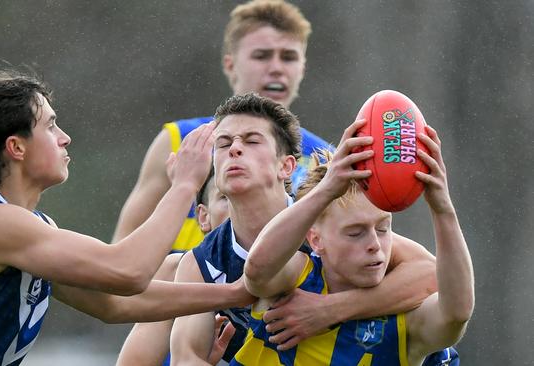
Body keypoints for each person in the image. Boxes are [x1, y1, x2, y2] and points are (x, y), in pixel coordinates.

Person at [0, 71, 256, 366]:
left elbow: (115, 305)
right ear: (16, 147)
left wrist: (236, 292)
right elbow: (128, 272)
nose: (64, 138)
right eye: (50, 126)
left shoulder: (29, 226)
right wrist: (183, 186)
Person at [169, 93, 441, 364]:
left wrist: (331, 310)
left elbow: (431, 274)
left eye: (252, 141)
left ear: (286, 166)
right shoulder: (199, 263)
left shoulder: (322, 218)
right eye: (224, 143)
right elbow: (186, 358)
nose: (234, 149)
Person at [235, 120, 473, 364]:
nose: (374, 244)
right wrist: (327, 189)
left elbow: (456, 312)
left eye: (383, 228)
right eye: (355, 233)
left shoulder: (405, 320)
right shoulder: (296, 279)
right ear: (316, 240)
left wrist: (443, 210)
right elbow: (257, 271)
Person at [112, 0, 330, 250]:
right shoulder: (180, 140)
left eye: (289, 57)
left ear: (303, 68)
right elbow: (124, 247)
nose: (276, 68)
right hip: (185, 284)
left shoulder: (323, 160)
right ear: (230, 65)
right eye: (261, 56)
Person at [117, 168, 233, 365]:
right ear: (203, 217)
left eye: (251, 195)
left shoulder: (301, 265)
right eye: (225, 197)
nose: (239, 206)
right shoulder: (175, 269)